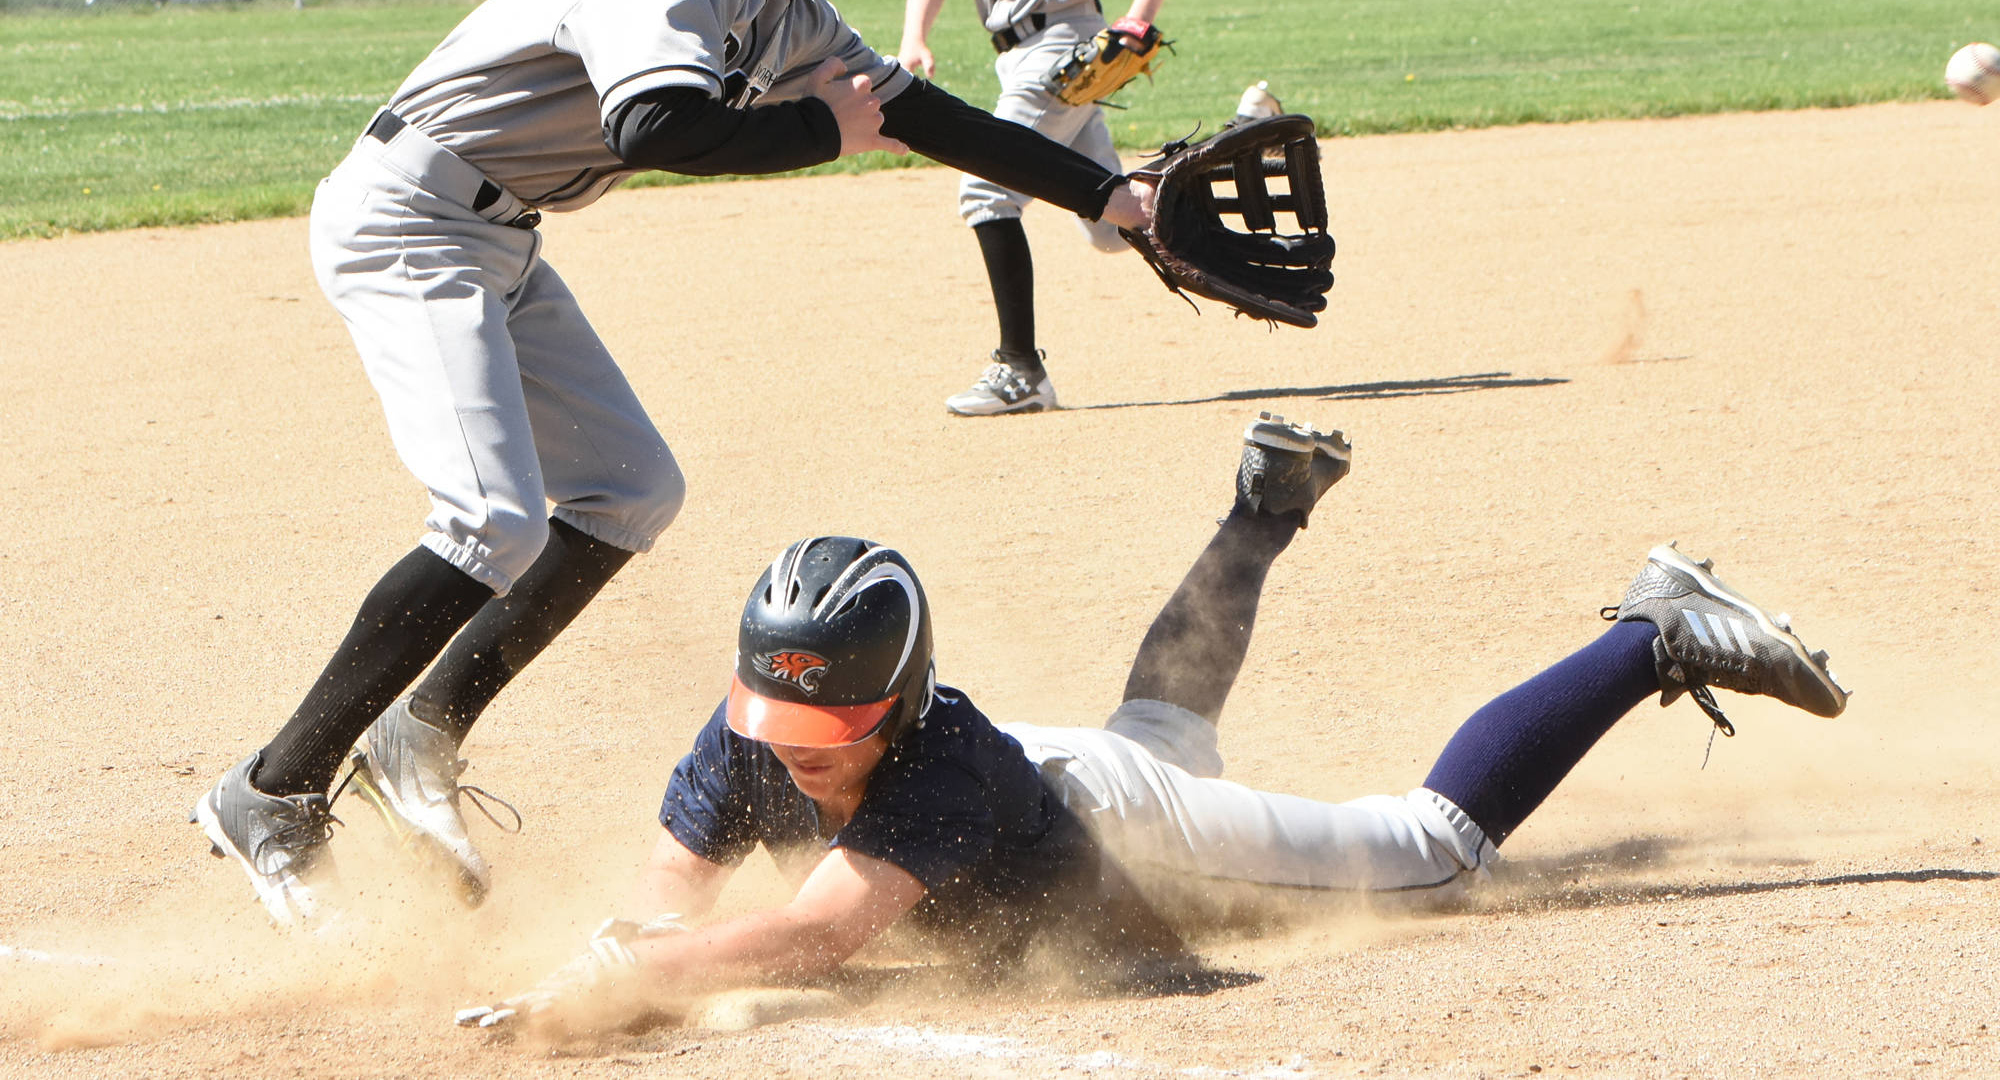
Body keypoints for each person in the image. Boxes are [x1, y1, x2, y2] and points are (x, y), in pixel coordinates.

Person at [190, 0, 1169, 931]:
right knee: (490, 520)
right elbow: (654, 121)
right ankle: (273, 788)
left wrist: (1113, 199)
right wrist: (824, 134)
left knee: (627, 488)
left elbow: (924, 116)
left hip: (494, 232)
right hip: (413, 217)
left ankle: (421, 729)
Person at [455, 415, 1850, 1035]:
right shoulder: (752, 730)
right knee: (1156, 721)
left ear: (906, 698)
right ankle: (1259, 513)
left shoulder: (940, 771)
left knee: (1432, 850)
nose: (797, 746)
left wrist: (649, 978)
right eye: (779, 718)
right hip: (1078, 774)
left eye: (837, 722)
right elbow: (669, 891)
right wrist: (629, 956)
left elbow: (821, 934)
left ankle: (1650, 629)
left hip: (1129, 835)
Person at [889, 0, 1184, 416]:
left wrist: (1138, 20)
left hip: (1068, 44)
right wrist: (915, 39)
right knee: (1113, 224)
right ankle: (1232, 150)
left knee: (985, 190)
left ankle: (1021, 369)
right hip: (1011, 52)